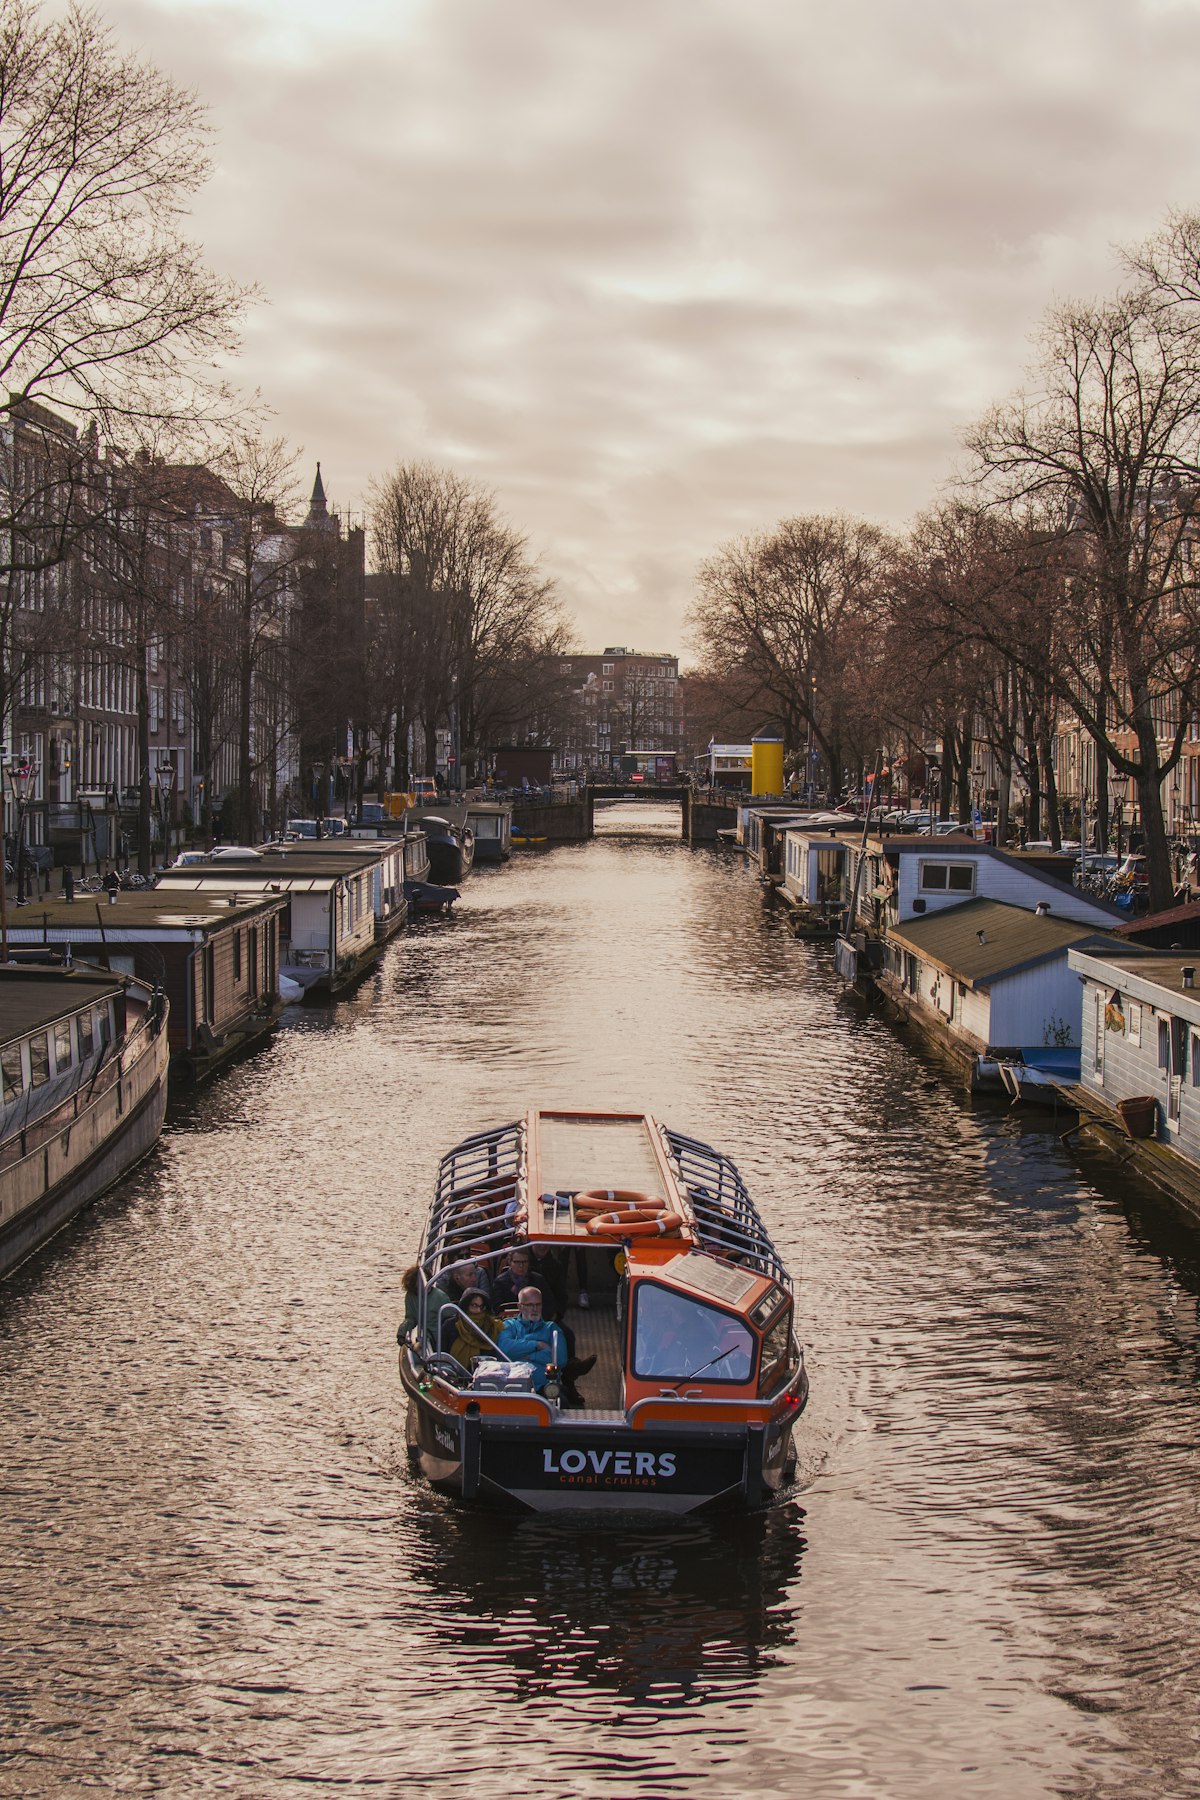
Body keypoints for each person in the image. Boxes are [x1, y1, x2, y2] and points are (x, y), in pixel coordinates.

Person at [497, 1288, 569, 1394]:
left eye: (538, 1304)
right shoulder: (509, 1325)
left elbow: (560, 1359)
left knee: (562, 1401)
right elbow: (505, 1349)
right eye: (530, 1305)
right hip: (512, 1387)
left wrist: (528, 1356)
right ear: (520, 1306)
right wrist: (537, 1345)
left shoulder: (551, 1328)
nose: (535, 1309)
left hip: (545, 1387)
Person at [448, 1288, 500, 1371]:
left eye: (481, 1306)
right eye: (474, 1305)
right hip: (455, 1373)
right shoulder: (451, 1325)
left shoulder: (492, 1325)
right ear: (465, 1305)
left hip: (486, 1372)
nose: (478, 1310)